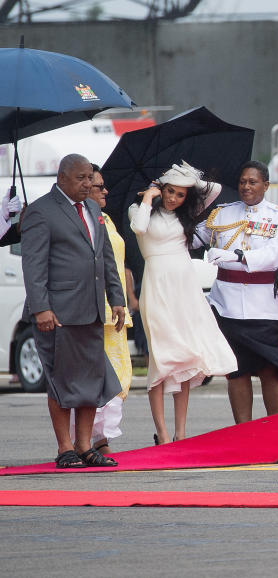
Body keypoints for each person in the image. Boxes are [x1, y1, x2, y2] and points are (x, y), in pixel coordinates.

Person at [21, 154, 125, 468]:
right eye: (81, 178)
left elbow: (104, 257)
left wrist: (116, 298)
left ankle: (84, 446)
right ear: (63, 177)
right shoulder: (41, 211)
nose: (88, 184)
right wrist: (41, 308)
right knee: (62, 381)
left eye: (90, 178)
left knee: (91, 380)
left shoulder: (93, 209)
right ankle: (64, 447)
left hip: (92, 309)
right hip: (57, 314)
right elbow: (33, 265)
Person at [129, 162, 237, 444]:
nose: (173, 198)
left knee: (186, 359)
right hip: (157, 286)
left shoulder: (186, 215)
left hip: (185, 288)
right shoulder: (140, 209)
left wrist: (185, 179)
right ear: (160, 188)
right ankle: (162, 433)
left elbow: (214, 190)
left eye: (179, 194)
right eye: (169, 191)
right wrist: (150, 196)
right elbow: (139, 228)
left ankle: (180, 433)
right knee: (162, 359)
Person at [196, 160, 278, 424]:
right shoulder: (221, 213)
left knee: (271, 371)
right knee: (236, 371)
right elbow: (193, 238)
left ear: (266, 185)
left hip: (265, 306)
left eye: (252, 182)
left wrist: (237, 257)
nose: (246, 186)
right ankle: (243, 431)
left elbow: (277, 254)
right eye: (242, 181)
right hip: (227, 304)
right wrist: (188, 205)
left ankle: (277, 429)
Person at [76, 165, 135, 454]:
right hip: (89, 307)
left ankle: (104, 436)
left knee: (121, 375)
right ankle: (93, 441)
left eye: (102, 185)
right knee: (94, 375)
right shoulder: (82, 219)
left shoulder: (106, 219)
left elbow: (115, 264)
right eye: (99, 186)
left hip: (114, 308)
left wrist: (121, 300)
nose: (104, 191)